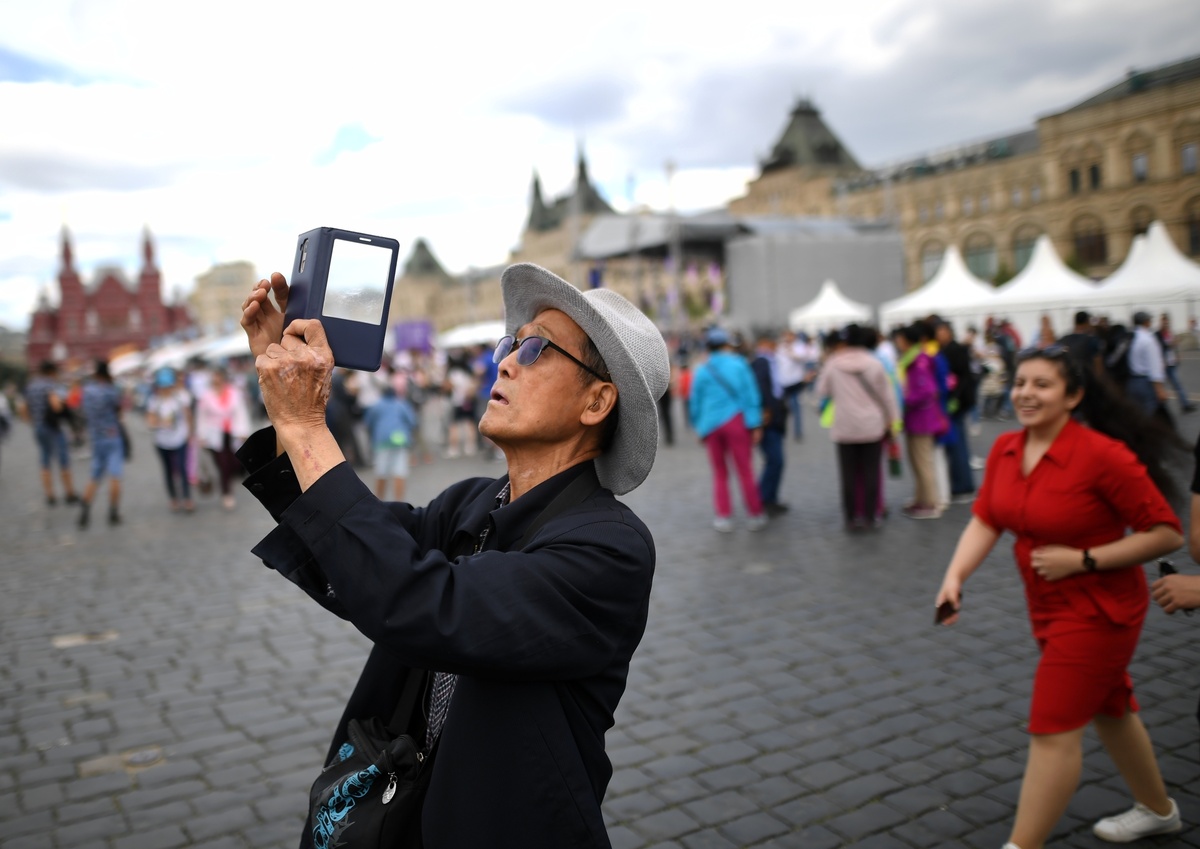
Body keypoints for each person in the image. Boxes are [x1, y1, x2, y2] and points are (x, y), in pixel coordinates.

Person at [238, 264, 669, 849]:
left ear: (597, 401)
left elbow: (420, 601)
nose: (508, 360)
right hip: (402, 812)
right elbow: (361, 556)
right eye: (511, 344)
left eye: (538, 349)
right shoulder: (472, 500)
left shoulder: (610, 548)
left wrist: (308, 426)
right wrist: (285, 403)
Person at [935, 345, 1185, 848]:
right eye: (1020, 381)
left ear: (1072, 396)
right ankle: (1159, 811)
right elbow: (987, 517)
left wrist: (1083, 558)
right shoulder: (1007, 448)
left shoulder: (1102, 456)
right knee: (1111, 707)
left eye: (1042, 384)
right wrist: (954, 576)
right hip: (1046, 605)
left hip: (1101, 610)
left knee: (1053, 729)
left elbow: (1165, 534)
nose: (1026, 393)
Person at [815, 324, 899, 531]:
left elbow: (821, 391)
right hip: (872, 425)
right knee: (872, 472)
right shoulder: (874, 363)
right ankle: (871, 517)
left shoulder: (833, 364)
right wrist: (892, 420)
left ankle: (851, 518)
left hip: (845, 426)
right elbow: (888, 397)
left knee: (848, 475)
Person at [688, 327, 767, 532]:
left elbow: (694, 401)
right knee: (745, 470)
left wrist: (699, 426)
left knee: (719, 473)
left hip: (711, 425)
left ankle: (723, 516)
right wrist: (755, 423)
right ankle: (755, 513)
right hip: (736, 421)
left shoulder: (702, 369)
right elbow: (751, 395)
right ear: (725, 344)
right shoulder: (739, 364)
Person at [893, 321, 947, 519]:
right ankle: (921, 499)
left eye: (899, 339)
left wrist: (904, 400)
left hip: (921, 418)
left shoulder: (919, 360)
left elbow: (927, 390)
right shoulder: (912, 358)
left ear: (907, 340)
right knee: (916, 462)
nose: (897, 342)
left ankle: (931, 504)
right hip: (915, 418)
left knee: (923, 462)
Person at [22, 360, 80, 506]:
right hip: (52, 428)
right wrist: (62, 404)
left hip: (38, 427)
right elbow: (56, 406)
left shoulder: (30, 385)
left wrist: (32, 421)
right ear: (51, 372)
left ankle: (50, 495)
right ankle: (69, 493)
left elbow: (22, 408)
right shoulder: (49, 384)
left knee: (44, 459)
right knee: (63, 459)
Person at [77, 360, 126, 529]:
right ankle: (113, 511)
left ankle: (85, 505)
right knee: (115, 475)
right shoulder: (111, 390)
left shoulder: (87, 391)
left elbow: (83, 411)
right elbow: (119, 409)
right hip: (111, 435)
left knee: (95, 475)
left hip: (95, 436)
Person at [195, 366, 252, 510]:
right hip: (214, 434)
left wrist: (244, 430)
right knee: (223, 465)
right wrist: (201, 435)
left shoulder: (234, 393)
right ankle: (227, 493)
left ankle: (229, 484)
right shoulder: (206, 396)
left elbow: (241, 412)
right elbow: (201, 417)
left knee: (234, 462)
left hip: (232, 432)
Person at [934, 319, 977, 503]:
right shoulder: (950, 349)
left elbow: (961, 378)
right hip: (958, 402)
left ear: (948, 331)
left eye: (941, 331)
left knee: (957, 445)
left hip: (956, 403)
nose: (939, 334)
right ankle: (963, 484)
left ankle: (962, 486)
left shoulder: (954, 350)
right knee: (959, 444)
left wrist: (954, 400)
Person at [144, 367, 194, 512]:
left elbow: (188, 416)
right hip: (162, 441)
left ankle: (187, 498)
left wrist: (190, 433)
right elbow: (150, 421)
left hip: (180, 438)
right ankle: (173, 498)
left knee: (182, 468)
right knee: (168, 470)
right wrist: (160, 423)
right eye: (163, 386)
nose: (165, 389)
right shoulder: (154, 401)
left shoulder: (181, 397)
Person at [750, 333, 788, 516]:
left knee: (775, 461)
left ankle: (768, 497)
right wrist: (766, 410)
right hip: (769, 419)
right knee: (775, 460)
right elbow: (762, 389)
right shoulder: (762, 362)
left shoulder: (769, 362)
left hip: (772, 418)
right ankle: (763, 497)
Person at [363, 381, 419, 500]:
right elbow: (412, 421)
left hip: (382, 440)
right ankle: (399, 502)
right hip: (400, 439)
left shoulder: (376, 405)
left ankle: (379, 500)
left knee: (381, 472)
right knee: (400, 471)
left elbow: (368, 422)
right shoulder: (401, 404)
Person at [1126, 310, 1167, 417]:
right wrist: (1159, 389)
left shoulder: (1129, 337)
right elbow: (1154, 365)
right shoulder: (1148, 339)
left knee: (1135, 413)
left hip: (1131, 381)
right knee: (1150, 414)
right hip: (1146, 382)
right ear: (1145, 322)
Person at [1156, 312, 1196, 413]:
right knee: (1161, 387)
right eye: (1163, 321)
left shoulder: (1169, 332)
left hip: (1171, 362)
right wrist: (1169, 344)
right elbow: (1160, 347)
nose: (1165, 323)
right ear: (1161, 322)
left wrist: (1177, 354)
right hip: (1163, 364)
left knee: (1177, 384)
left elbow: (1174, 345)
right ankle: (1158, 409)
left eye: (1167, 321)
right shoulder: (1158, 334)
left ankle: (1185, 405)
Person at [1057, 310, 1103, 376]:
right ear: (1087, 322)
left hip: (1069, 379)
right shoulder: (1092, 340)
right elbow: (1099, 366)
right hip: (1087, 380)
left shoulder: (1063, 340)